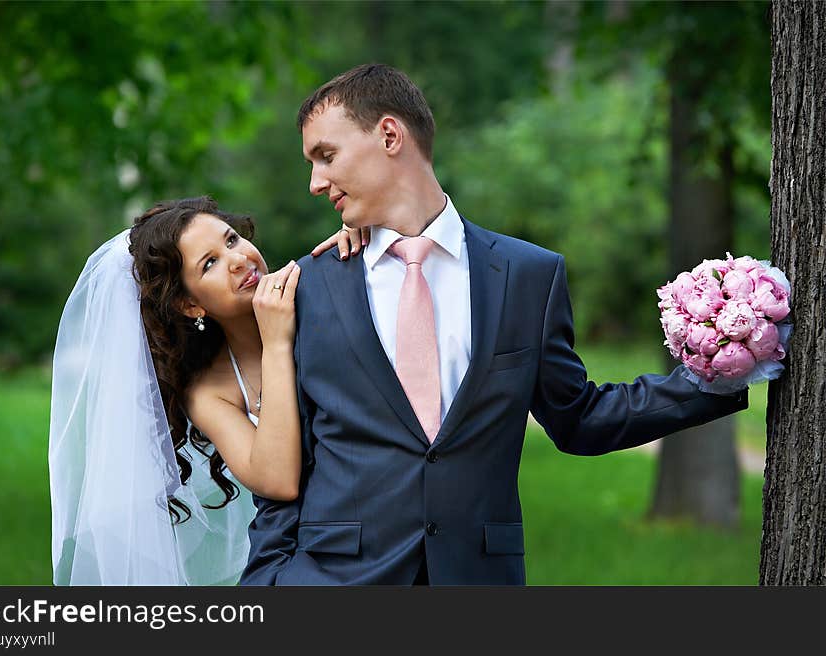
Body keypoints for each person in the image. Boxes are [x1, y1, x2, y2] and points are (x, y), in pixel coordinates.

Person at [239, 64, 749, 586]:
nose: (315, 182)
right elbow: (286, 459)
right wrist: (266, 584)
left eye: (326, 156)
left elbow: (579, 418)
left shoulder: (528, 275)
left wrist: (725, 373)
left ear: (390, 135)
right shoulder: (306, 289)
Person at [48, 196, 364, 585]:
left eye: (231, 240)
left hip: (370, 524)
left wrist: (367, 241)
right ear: (190, 304)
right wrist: (277, 344)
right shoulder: (208, 391)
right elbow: (277, 480)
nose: (237, 259)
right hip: (294, 551)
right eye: (210, 263)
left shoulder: (312, 286)